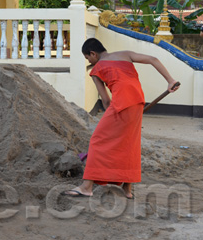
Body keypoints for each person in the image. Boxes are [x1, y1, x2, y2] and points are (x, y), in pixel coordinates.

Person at [63, 38, 179, 199]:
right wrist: (170, 81)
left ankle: (86, 186)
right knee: (129, 142)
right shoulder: (125, 54)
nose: (89, 61)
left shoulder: (96, 70)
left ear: (93, 53)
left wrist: (109, 116)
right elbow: (153, 60)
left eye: (87, 58)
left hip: (121, 105)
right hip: (138, 102)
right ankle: (127, 189)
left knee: (98, 140)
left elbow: (106, 101)